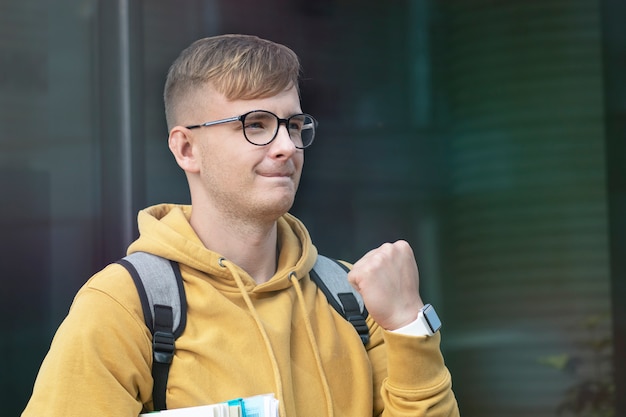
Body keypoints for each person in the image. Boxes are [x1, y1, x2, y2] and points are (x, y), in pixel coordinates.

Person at [22, 34, 459, 417]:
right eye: (256, 125)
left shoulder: (355, 299)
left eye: (293, 125)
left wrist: (407, 324)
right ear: (187, 148)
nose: (287, 147)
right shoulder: (125, 306)